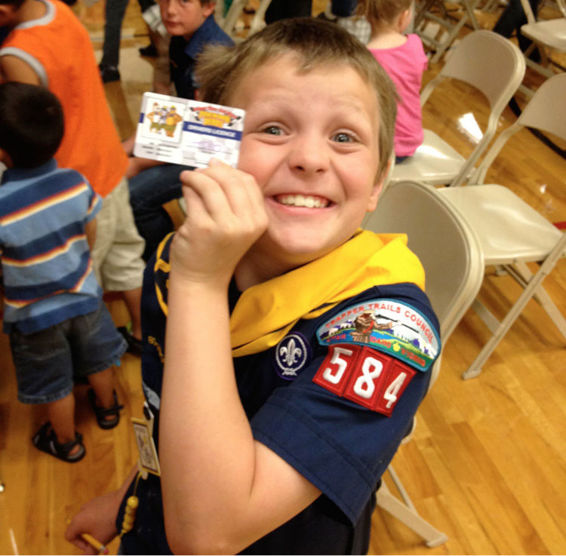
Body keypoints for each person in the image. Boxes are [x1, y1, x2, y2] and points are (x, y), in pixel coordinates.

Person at [66, 18, 441, 554]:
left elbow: (209, 533)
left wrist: (201, 282)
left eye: (343, 137)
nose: (310, 158)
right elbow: (168, 407)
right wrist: (133, 496)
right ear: (212, 150)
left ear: (378, 181)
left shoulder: (385, 332)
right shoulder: (179, 260)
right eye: (272, 129)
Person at [0, 0, 147, 355]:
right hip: (108, 163)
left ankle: (89, 357)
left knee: (79, 277)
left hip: (68, 188)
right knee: (127, 258)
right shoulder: (59, 10)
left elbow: (25, 126)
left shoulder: (16, 54)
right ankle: (144, 334)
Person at [0, 82, 127, 463]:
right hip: (85, 297)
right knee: (99, 361)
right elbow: (89, 234)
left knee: (55, 383)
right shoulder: (76, 183)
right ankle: (108, 409)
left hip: (33, 315)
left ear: (3, 152)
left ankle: (67, 442)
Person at [125, 0, 233, 261]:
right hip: (193, 140)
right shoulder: (180, 39)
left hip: (215, 153)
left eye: (183, 1)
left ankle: (160, 258)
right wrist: (131, 143)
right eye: (165, 0)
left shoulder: (212, 54)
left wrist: (139, 162)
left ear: (207, 8)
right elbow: (176, 110)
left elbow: (204, 135)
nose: (170, 10)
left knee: (134, 196)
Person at [358, 0, 427, 164]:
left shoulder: (365, 58)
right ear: (404, 17)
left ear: (367, 15)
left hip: (381, 148)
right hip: (410, 140)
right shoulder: (415, 44)